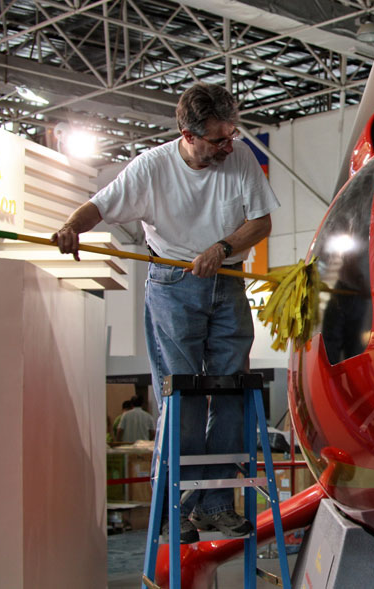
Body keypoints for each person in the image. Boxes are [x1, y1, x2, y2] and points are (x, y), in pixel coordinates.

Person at [53, 82, 279, 544]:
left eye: (231, 135)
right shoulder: (151, 167)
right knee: (184, 395)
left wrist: (221, 248)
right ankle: (175, 509)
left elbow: (261, 222)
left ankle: (216, 505)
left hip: (228, 278)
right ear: (188, 135)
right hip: (173, 283)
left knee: (233, 390)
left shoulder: (238, 158)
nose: (228, 146)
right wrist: (72, 227)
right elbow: (100, 206)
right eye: (217, 139)